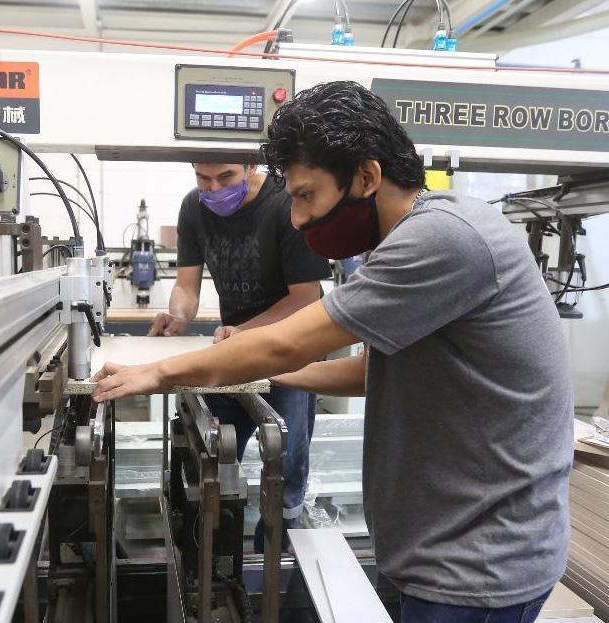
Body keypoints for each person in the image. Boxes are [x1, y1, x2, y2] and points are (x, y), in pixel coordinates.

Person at [95, 82, 572, 623]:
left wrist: (157, 373)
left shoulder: (443, 237)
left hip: (479, 566)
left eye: (306, 196)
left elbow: (285, 340)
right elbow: (373, 371)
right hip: (441, 547)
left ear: (366, 177)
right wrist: (276, 376)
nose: (297, 218)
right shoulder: (418, 232)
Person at [149, 162, 331, 552]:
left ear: (250, 166)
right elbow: (186, 286)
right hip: (233, 352)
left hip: (291, 352)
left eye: (226, 177)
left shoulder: (285, 203)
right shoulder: (193, 207)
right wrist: (178, 314)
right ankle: (212, 557)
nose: (213, 188)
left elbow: (305, 298)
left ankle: (275, 558)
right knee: (210, 454)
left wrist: (245, 332)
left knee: (286, 465)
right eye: (203, 178)